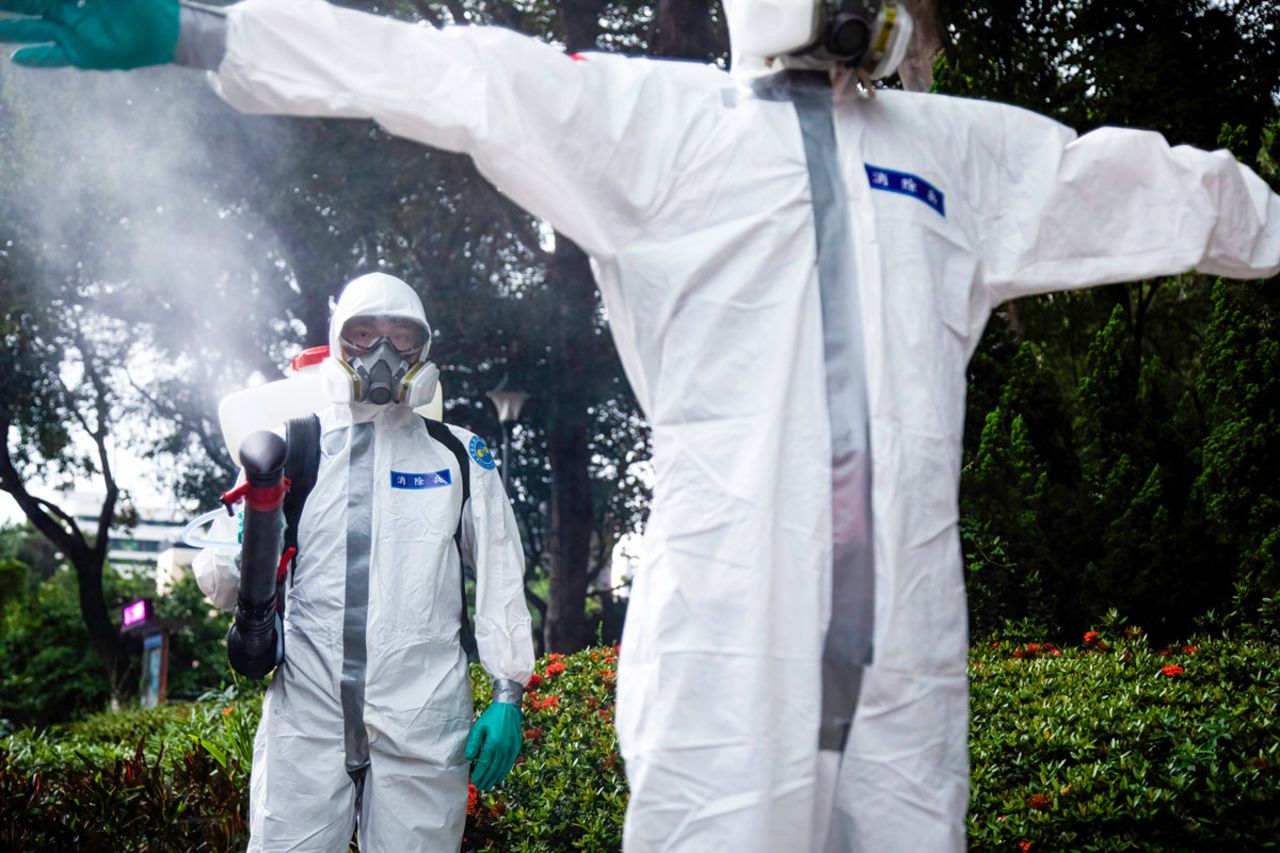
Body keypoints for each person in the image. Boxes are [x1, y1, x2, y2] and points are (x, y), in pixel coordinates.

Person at [3, 1, 1276, 849]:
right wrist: (210, 33)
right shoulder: (666, 129)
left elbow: (1161, 187)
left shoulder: (960, 151)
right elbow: (452, 73)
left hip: (910, 658)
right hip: (731, 642)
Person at [191, 272, 534, 851]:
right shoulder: (290, 445)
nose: (381, 353)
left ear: (423, 350)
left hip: (423, 713)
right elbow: (224, 575)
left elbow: (502, 575)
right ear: (337, 342)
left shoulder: (459, 453)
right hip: (309, 708)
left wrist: (509, 693)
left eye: (401, 337)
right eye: (363, 334)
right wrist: (238, 549)